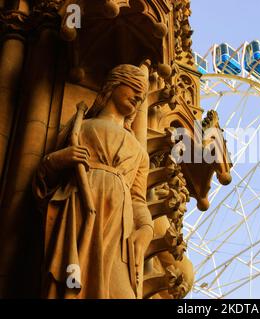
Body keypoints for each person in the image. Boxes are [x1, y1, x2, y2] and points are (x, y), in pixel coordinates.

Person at [33, 64, 154, 299]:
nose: (139, 97)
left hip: (119, 228)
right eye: (135, 87)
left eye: (144, 95)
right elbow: (43, 180)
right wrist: (60, 159)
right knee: (68, 287)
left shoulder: (140, 153)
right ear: (113, 85)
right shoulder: (81, 127)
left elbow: (138, 199)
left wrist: (147, 229)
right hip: (79, 212)